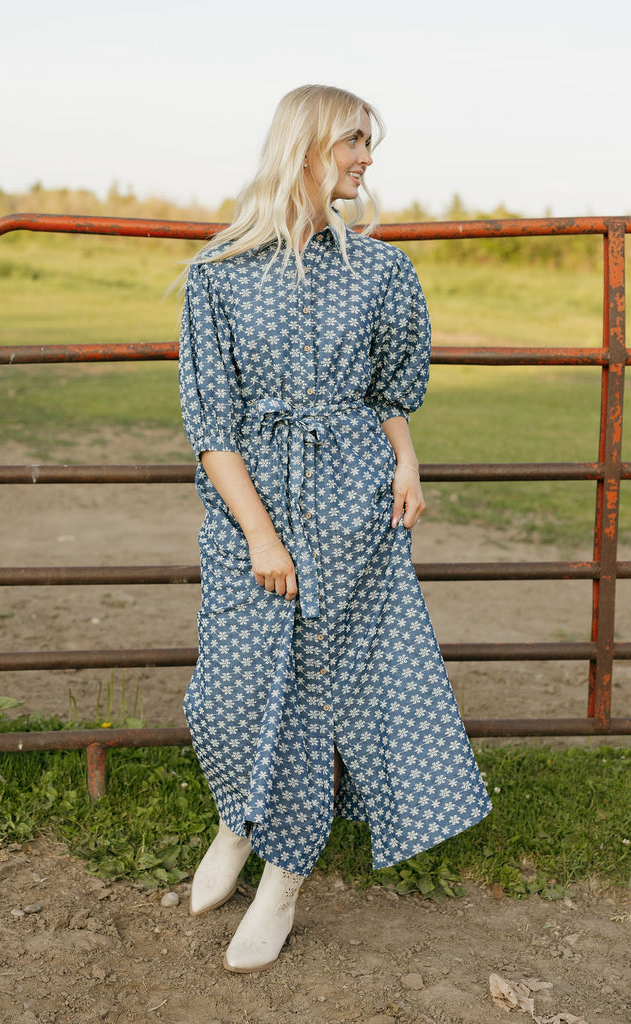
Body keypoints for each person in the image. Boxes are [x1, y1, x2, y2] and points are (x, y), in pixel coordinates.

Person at [177, 84, 492, 974]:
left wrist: (406, 460)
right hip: (252, 502)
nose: (366, 157)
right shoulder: (218, 273)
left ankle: (283, 879)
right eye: (353, 140)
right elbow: (211, 427)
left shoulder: (384, 272)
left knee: (322, 696)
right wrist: (260, 534)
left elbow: (390, 390)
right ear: (307, 146)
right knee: (229, 693)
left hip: (353, 499)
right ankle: (239, 818)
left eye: (367, 142)